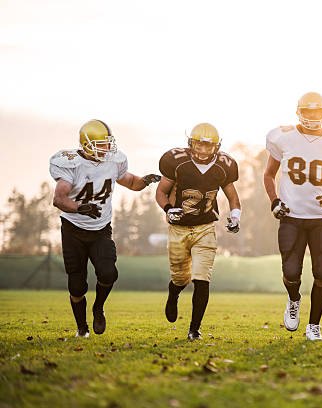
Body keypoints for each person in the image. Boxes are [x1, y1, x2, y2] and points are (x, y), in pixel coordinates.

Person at [50, 119, 161, 337]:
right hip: (73, 228)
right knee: (77, 286)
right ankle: (82, 328)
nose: (106, 148)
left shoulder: (113, 161)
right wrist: (80, 208)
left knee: (109, 273)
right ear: (86, 143)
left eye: (108, 143)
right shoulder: (71, 163)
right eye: (101, 144)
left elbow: (130, 181)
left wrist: (145, 180)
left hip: (100, 228)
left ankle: (98, 307)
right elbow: (59, 199)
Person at [263, 92, 322, 341]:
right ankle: (294, 299)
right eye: (308, 111)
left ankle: (314, 326)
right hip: (291, 216)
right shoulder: (283, 137)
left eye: (317, 111)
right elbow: (268, 174)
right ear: (299, 111)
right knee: (291, 273)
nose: (312, 116)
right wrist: (274, 201)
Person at [156, 123, 241, 340]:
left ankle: (194, 329)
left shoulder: (224, 165)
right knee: (180, 278)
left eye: (208, 146)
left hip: (205, 227)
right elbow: (161, 192)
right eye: (199, 145)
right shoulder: (177, 162)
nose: (203, 151)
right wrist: (168, 209)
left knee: (202, 278)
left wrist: (235, 216)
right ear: (190, 143)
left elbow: (233, 197)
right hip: (179, 229)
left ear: (217, 146)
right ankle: (173, 294)